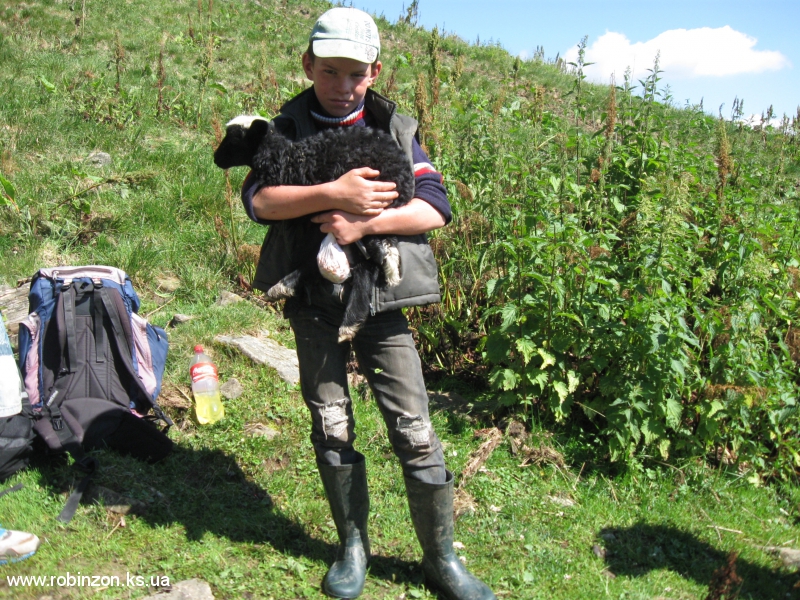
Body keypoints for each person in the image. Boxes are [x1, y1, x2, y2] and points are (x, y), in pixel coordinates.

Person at [240, 8, 495, 600]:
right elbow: (259, 200)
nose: (342, 85)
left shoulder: (396, 129)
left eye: (356, 74)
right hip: (314, 301)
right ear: (308, 65)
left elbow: (435, 206)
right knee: (331, 422)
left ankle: (441, 559)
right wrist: (332, 192)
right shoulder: (285, 127)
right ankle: (351, 548)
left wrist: (363, 224)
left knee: (415, 427)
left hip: (382, 303)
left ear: (374, 72)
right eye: (330, 71)